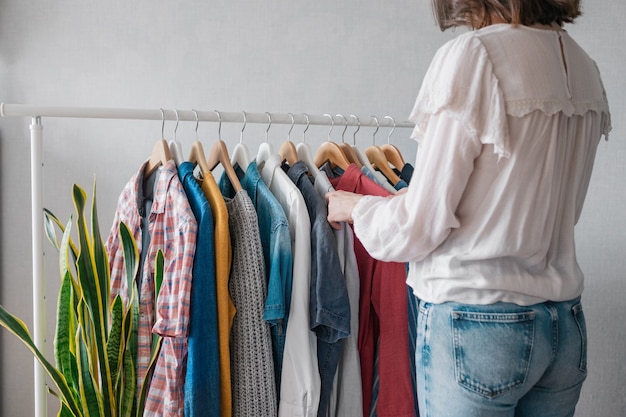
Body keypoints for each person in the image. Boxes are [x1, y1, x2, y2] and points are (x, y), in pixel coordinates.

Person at [326, 0, 611, 416]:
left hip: (477, 324)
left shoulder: (475, 56)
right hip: (564, 326)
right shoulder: (584, 65)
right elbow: (514, 196)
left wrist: (359, 208)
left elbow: (418, 228)